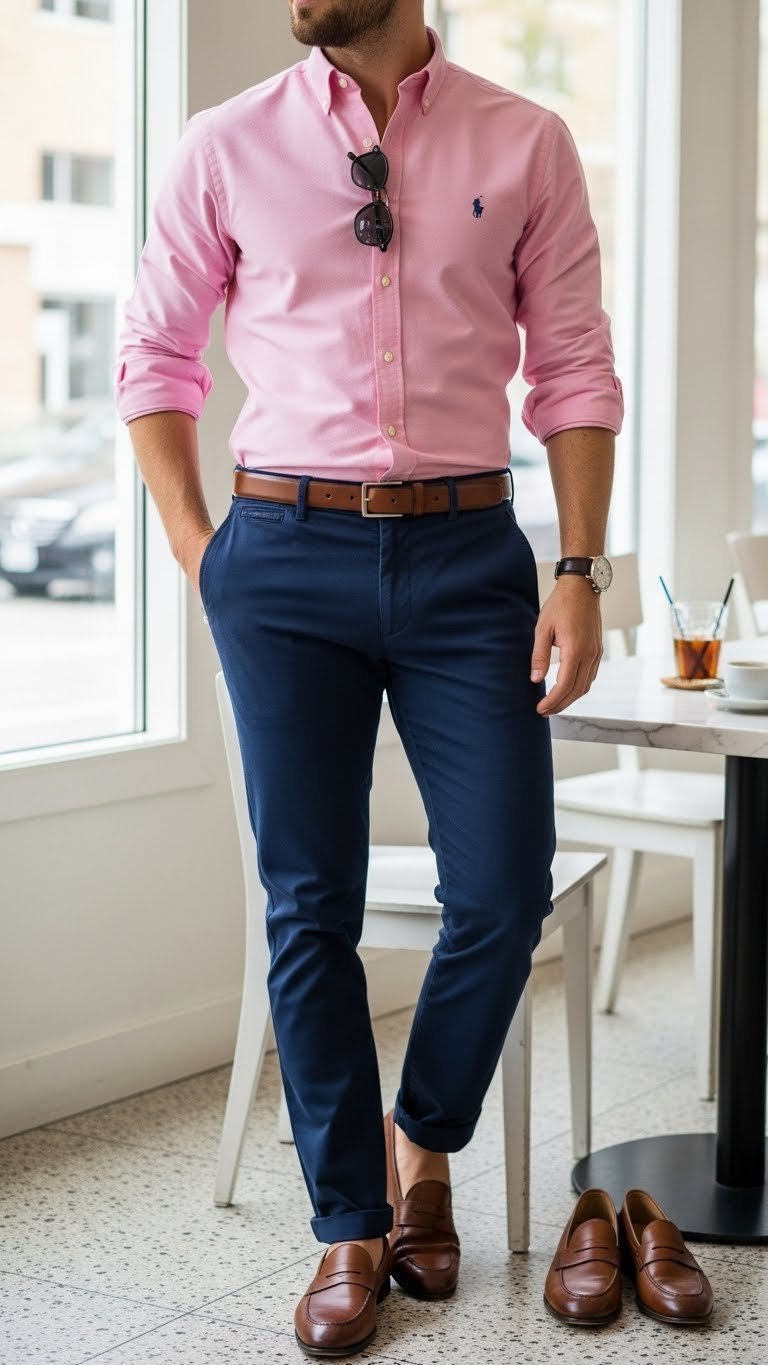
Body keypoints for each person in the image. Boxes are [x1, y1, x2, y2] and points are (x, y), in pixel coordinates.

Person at [113, 1, 623, 1356]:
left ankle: (424, 1142)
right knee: (308, 899)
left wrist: (581, 565)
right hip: (279, 556)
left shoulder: (526, 142)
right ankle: (350, 1220)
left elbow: (573, 370)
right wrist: (200, 551)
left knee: (506, 886)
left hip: (469, 559)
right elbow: (153, 359)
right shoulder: (222, 146)